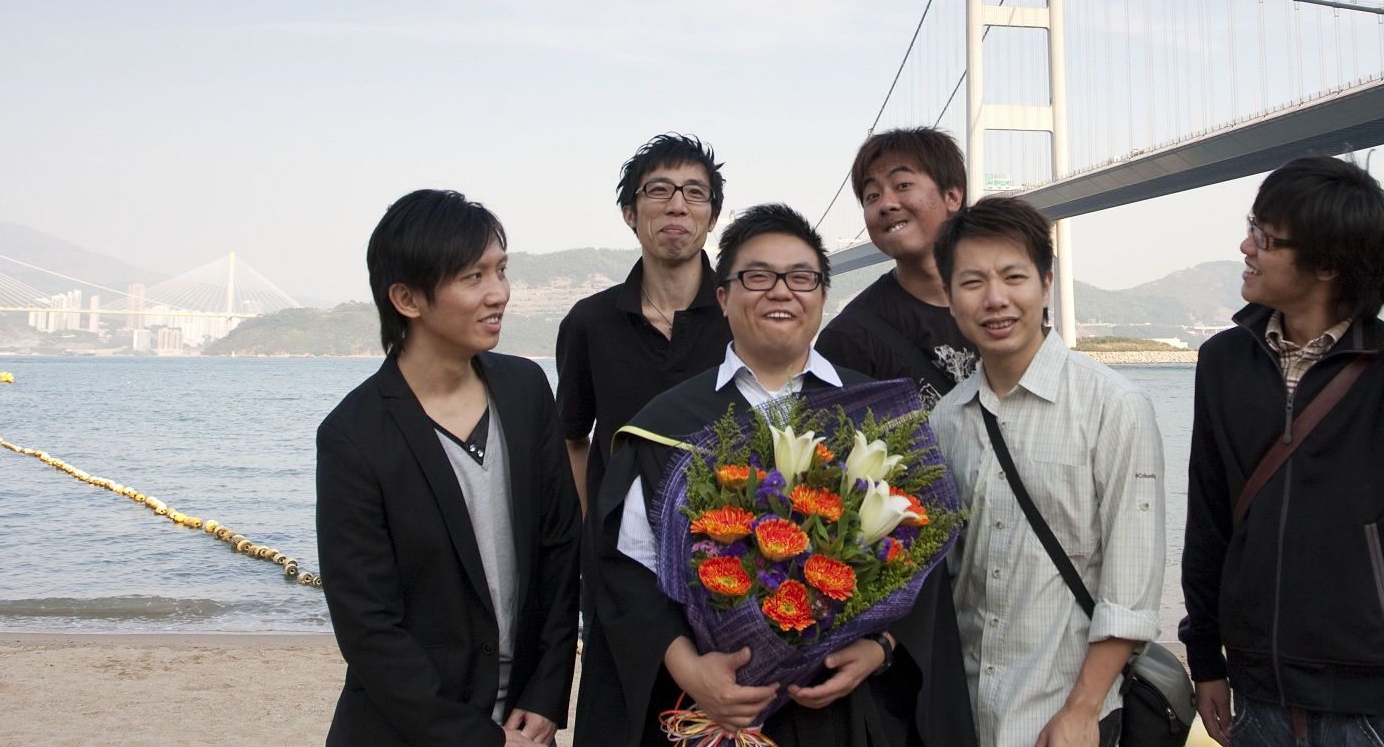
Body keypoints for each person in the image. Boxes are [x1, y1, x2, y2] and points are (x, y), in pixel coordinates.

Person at [575, 203, 976, 747]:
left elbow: (922, 559)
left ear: (822, 296)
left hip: (844, 712)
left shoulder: (876, 416)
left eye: (801, 277)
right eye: (758, 277)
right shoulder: (666, 426)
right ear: (723, 297)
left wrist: (880, 648)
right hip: (711, 712)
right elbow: (629, 571)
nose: (781, 291)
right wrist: (691, 669)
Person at [1178, 156, 1384, 747]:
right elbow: (1210, 515)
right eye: (1252, 228)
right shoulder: (1223, 361)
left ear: (1326, 264)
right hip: (1262, 690)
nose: (1245, 246)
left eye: (1266, 238)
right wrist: (1206, 660)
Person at [316, 190, 580, 747]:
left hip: (526, 721)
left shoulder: (526, 389)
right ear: (407, 298)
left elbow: (559, 550)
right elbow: (368, 625)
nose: (498, 293)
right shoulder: (353, 436)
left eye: (501, 271)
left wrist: (546, 694)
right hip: (409, 730)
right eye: (472, 277)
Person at [929, 196, 1166, 747]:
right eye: (972, 282)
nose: (995, 299)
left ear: (1046, 284)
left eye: (1014, 277)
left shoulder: (1114, 407)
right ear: (949, 297)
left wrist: (1082, 709)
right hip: (963, 714)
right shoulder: (947, 419)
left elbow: (1131, 584)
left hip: (1064, 719)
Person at [556, 135, 733, 621]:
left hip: (730, 563)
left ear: (712, 217)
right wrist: (595, 522)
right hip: (617, 568)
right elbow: (572, 436)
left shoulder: (741, 318)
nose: (677, 204)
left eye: (695, 192)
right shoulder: (589, 322)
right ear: (629, 213)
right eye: (658, 189)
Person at [818, 128, 975, 409]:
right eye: (872, 196)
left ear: (952, 196)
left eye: (902, 185)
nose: (886, 204)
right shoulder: (848, 340)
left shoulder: (1006, 309)